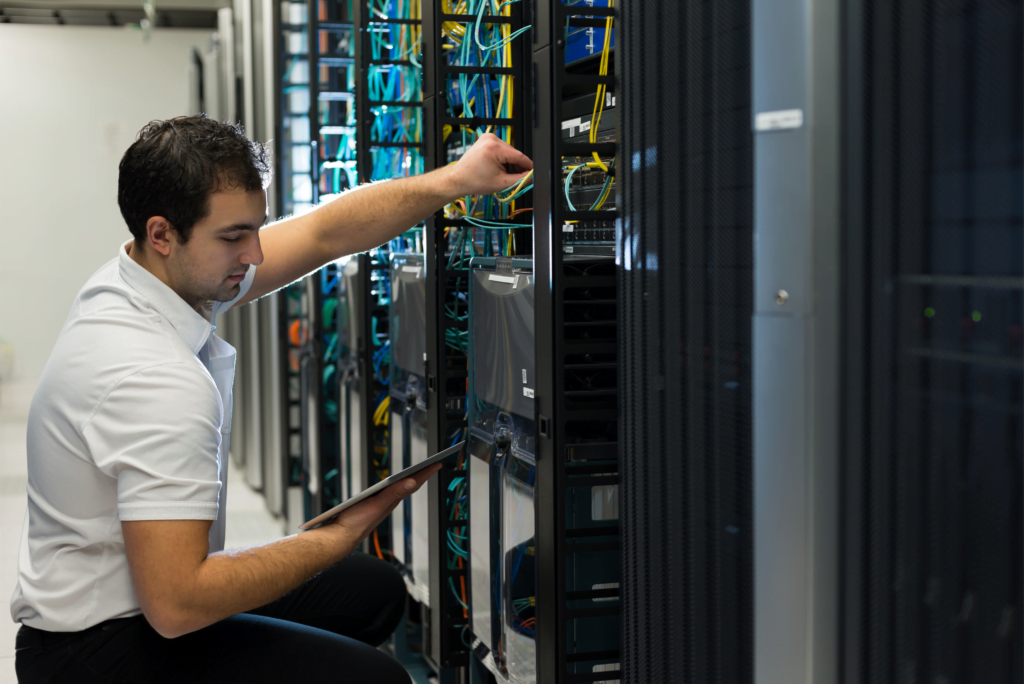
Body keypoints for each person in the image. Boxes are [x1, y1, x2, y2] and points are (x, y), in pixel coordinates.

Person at [11, 115, 533, 683]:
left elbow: (322, 234)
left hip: (138, 604)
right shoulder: (154, 376)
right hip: (96, 649)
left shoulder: (141, 277)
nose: (255, 254)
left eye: (254, 229)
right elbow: (178, 604)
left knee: (373, 592)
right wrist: (337, 534)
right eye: (234, 237)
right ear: (162, 234)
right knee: (376, 678)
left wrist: (456, 179)